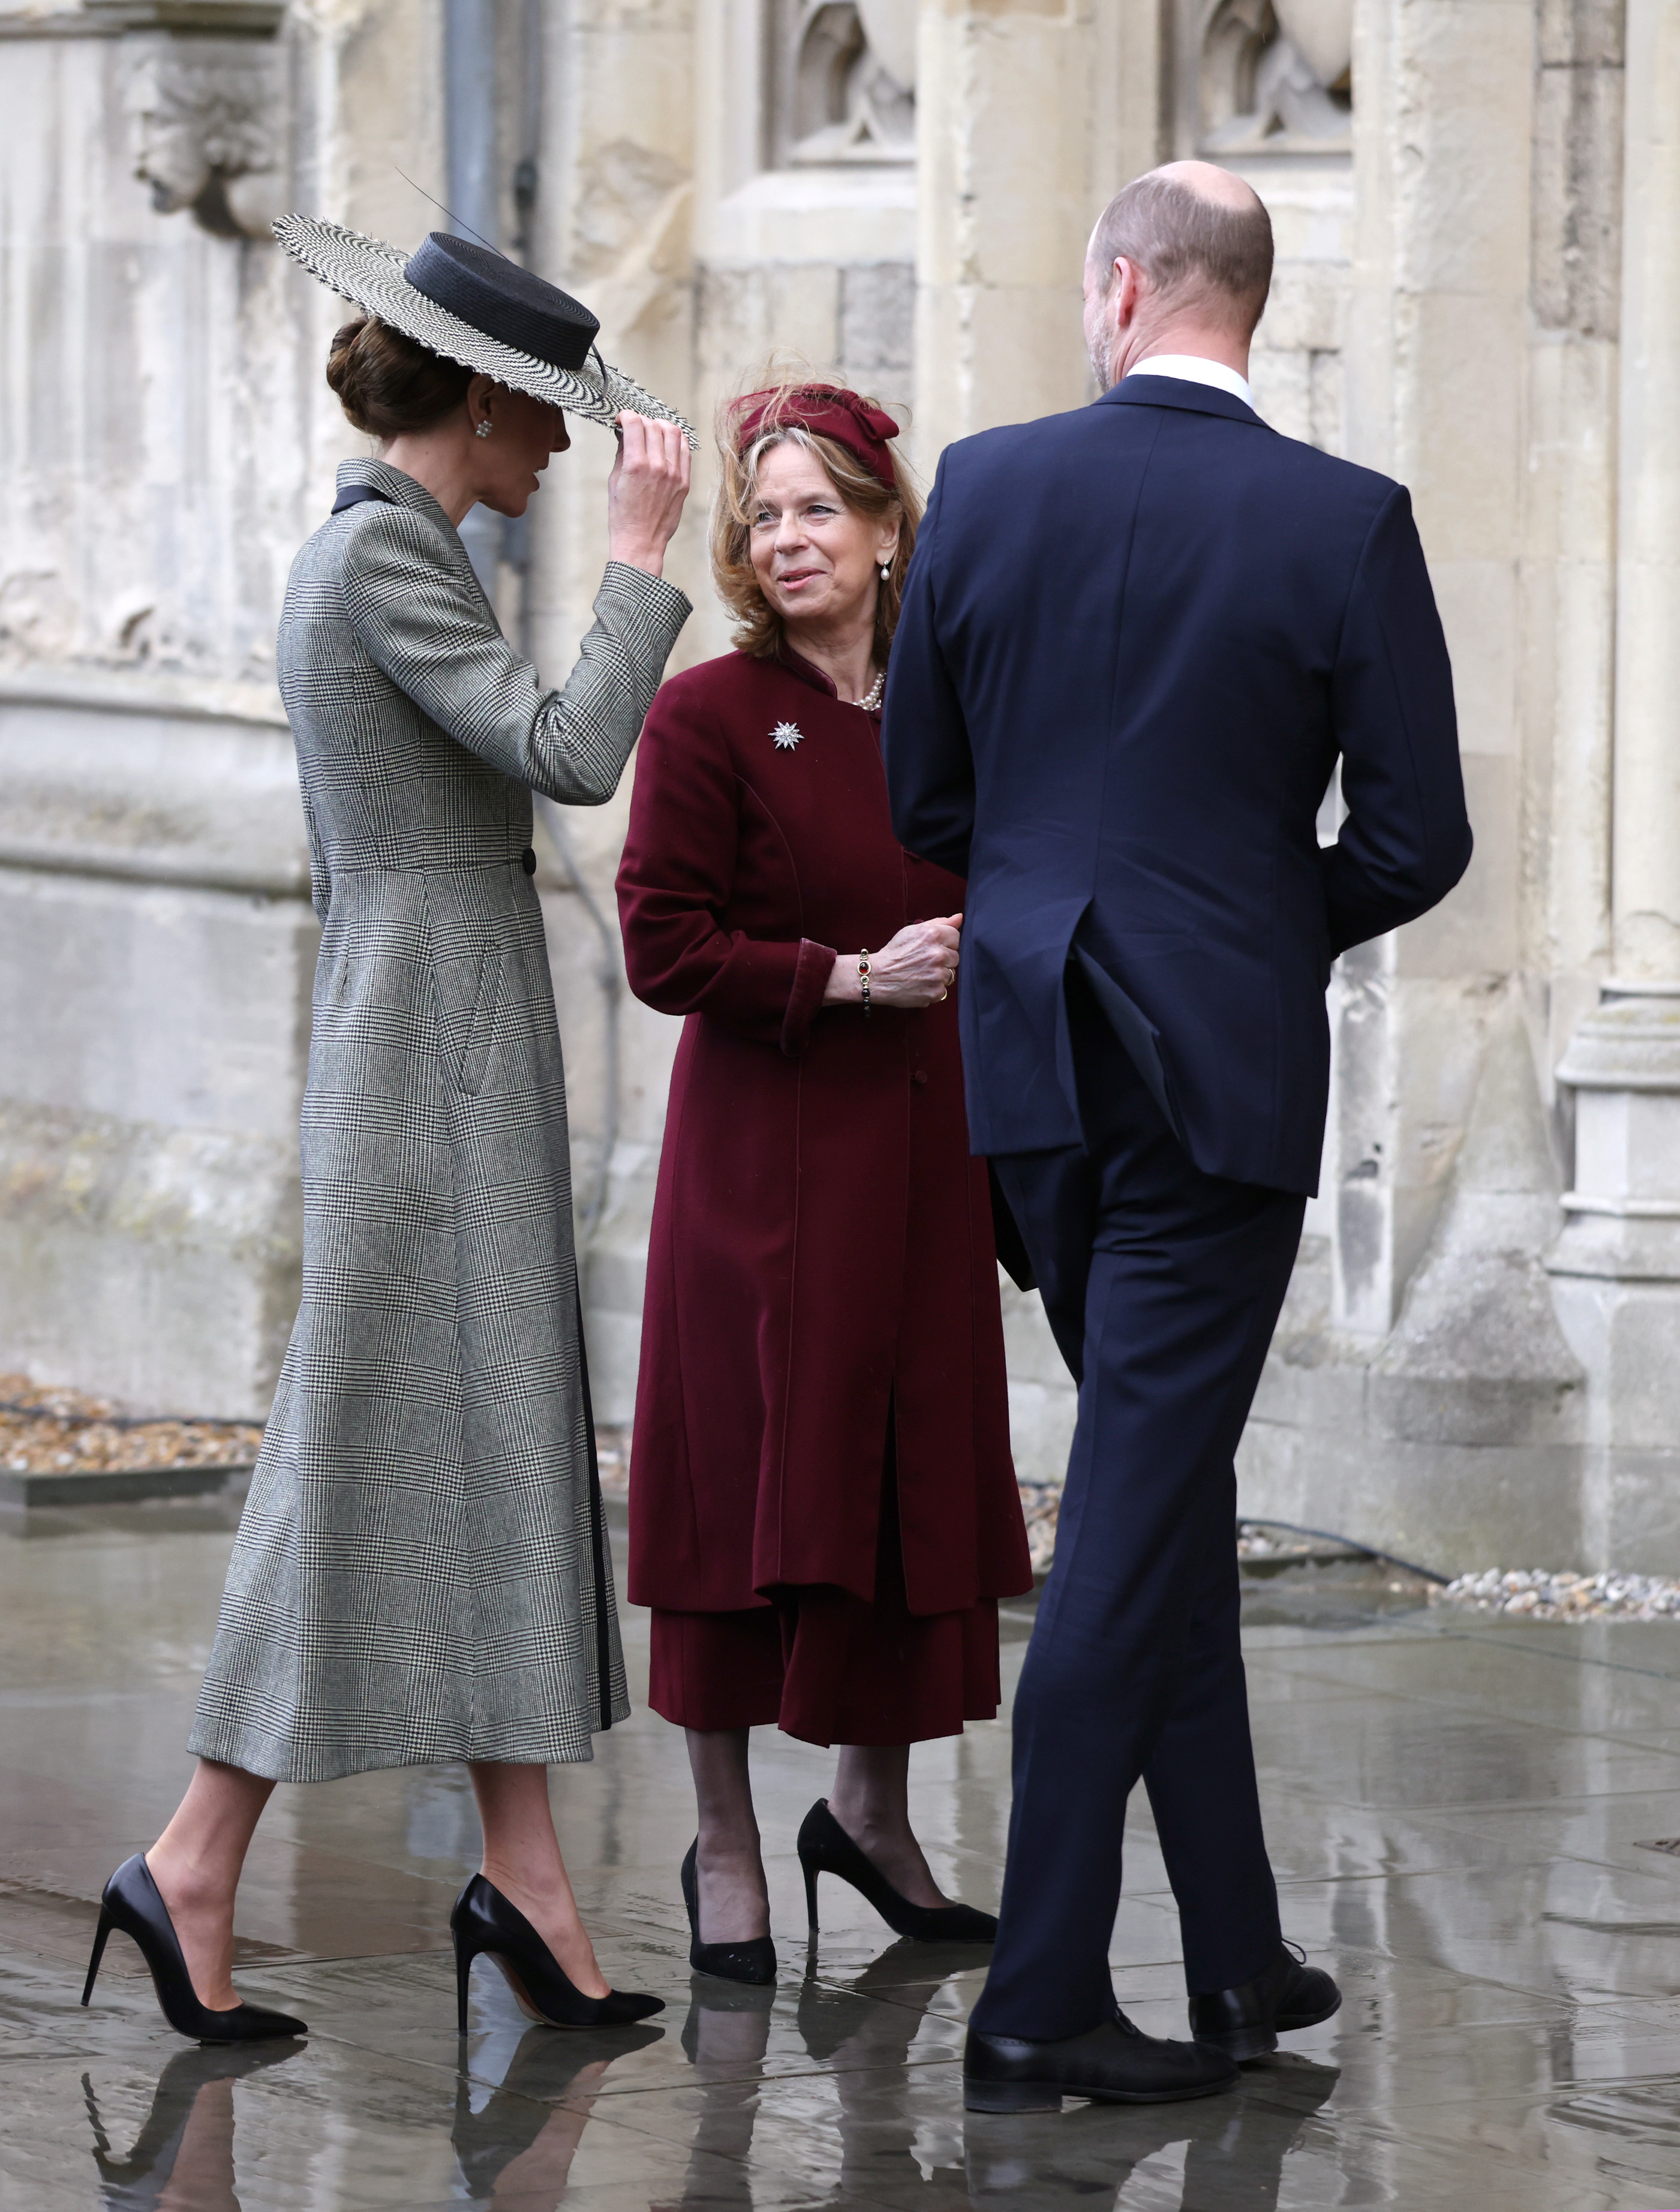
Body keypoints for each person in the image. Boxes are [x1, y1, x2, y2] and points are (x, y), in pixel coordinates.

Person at [884, 162, 1472, 2111]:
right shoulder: (1344, 519)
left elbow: (928, 789)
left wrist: (1073, 897)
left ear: (1121, 286)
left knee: (1163, 1480)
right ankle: (1042, 1992)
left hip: (1036, 1062)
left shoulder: (984, 484)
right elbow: (1417, 839)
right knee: (1136, 1508)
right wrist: (1239, 915)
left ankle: (1236, 1951)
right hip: (1214, 1071)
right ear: (1251, 301)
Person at [81, 218, 695, 2044]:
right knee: (355, 1449)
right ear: (488, 405)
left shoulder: (399, 549)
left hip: (443, 1033)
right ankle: (194, 1856)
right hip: (426, 1050)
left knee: (497, 1439)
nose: (571, 455)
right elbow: (576, 750)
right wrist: (647, 567)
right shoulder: (382, 566)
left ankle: (530, 1880)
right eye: (551, 420)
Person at [615, 375, 1032, 1983]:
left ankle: (872, 1818)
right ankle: (725, 1835)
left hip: (925, 1161)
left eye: (817, 510)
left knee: (907, 1485)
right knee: (743, 1496)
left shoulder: (947, 706)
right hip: (765, 1175)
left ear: (882, 531)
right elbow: (663, 941)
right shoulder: (708, 715)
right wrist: (849, 979)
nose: (788, 538)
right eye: (764, 514)